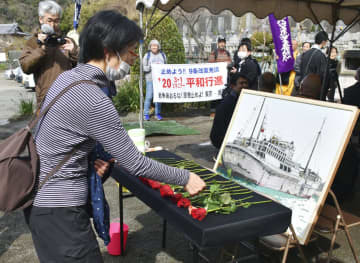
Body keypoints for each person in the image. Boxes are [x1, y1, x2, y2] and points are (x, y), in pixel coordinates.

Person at [24, 10, 205, 262]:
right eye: (131, 50)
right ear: (109, 50)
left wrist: (88, 162)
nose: (134, 58)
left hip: (40, 203)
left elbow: (60, 138)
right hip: (59, 210)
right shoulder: (94, 98)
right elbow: (135, 163)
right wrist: (184, 177)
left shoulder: (67, 78)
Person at [19, 0, 78, 109]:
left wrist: (74, 52)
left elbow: (82, 69)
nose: (53, 25)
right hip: (46, 100)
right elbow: (25, 67)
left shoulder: (67, 41)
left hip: (70, 98)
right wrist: (41, 49)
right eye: (49, 20)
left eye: (56, 21)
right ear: (40, 19)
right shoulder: (33, 42)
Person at [210, 73, 249, 149]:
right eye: (241, 83)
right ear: (232, 86)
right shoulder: (229, 102)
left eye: (246, 83)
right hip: (221, 139)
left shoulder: (240, 98)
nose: (244, 85)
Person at [208, 36, 232, 118]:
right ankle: (213, 112)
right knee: (215, 96)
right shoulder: (214, 53)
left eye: (223, 42)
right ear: (218, 43)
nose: (222, 44)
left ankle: (222, 112)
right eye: (220, 42)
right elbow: (210, 65)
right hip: (216, 79)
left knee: (223, 96)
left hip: (225, 79)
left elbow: (230, 63)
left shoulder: (227, 53)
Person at [143, 39, 166, 121]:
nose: (154, 47)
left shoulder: (162, 55)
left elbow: (166, 67)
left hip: (160, 80)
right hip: (150, 79)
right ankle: (146, 114)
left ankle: (158, 114)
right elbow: (143, 68)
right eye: (152, 45)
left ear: (158, 46)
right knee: (149, 97)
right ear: (150, 46)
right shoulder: (147, 55)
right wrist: (151, 66)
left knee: (158, 97)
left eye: (155, 45)